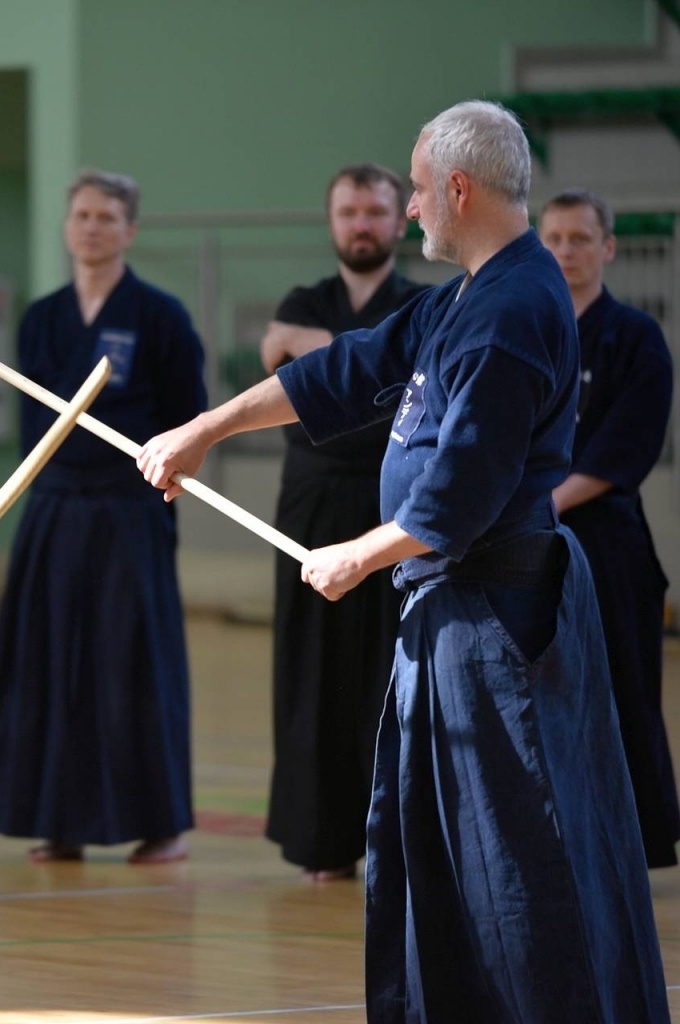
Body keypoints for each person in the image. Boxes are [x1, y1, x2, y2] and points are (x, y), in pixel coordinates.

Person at [138, 102, 674, 1024]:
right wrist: (206, 429)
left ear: (458, 189)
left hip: (499, 624)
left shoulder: (514, 312)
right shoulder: (466, 294)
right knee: (444, 851)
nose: (413, 204)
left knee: (514, 860)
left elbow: (455, 500)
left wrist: (356, 555)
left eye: (420, 188)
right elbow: (345, 368)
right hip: (451, 614)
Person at [0, 168, 207, 864]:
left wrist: (167, 481)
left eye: (107, 217)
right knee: (52, 660)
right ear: (66, 226)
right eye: (81, 215)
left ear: (130, 230)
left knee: (130, 661)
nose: (91, 227)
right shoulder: (42, 317)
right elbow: (30, 429)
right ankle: (60, 821)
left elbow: (187, 420)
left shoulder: (160, 315)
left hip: (128, 510)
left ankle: (160, 822)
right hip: (55, 508)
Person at [260, 164, 428, 882]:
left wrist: (319, 350)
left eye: (375, 211)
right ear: (332, 222)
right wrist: (347, 363)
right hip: (311, 505)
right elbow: (286, 363)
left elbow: (339, 370)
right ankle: (320, 841)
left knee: (391, 672)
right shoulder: (302, 297)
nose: (361, 223)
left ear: (400, 221)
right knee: (312, 671)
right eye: (348, 211)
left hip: (391, 505)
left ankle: (395, 833)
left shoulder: (423, 303)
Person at [538, 189, 680, 869]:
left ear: (608, 248)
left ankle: (631, 845)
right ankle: (554, 838)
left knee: (622, 689)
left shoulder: (635, 337)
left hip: (607, 542)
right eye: (555, 239)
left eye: (580, 238)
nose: (566, 251)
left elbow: (627, 447)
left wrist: (548, 503)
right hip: (530, 542)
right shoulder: (529, 330)